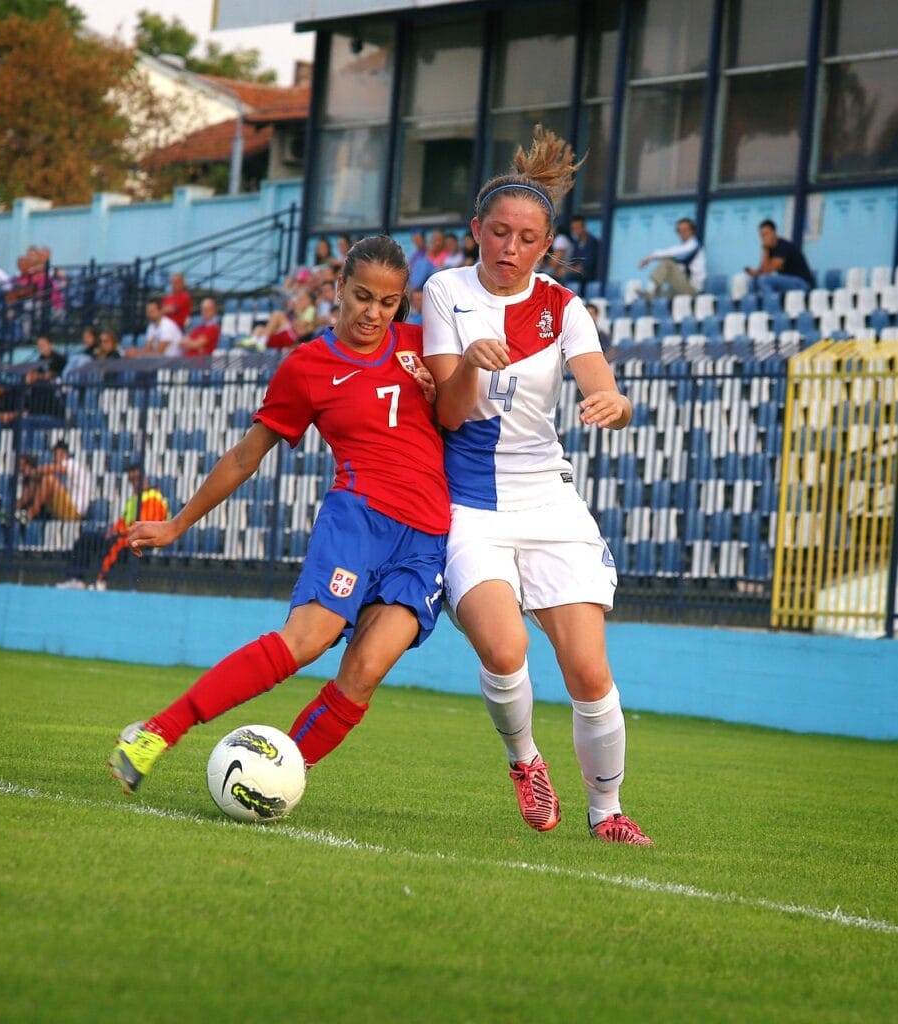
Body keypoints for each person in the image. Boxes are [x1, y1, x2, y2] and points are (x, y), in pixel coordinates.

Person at [107, 235, 450, 797]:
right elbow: (246, 456)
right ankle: (156, 733)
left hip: (427, 539)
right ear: (337, 289)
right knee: (307, 641)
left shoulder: (425, 344)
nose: (374, 313)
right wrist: (177, 523)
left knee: (364, 673)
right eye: (362, 296)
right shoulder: (308, 366)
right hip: (358, 520)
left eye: (388, 303)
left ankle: (276, 781)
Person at [422, 125, 652, 845]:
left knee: (588, 670)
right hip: (468, 506)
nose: (509, 249)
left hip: (547, 501)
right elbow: (446, 414)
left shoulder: (562, 306)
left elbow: (604, 390)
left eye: (526, 239)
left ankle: (606, 812)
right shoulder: (443, 292)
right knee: (503, 651)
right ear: (476, 232)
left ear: (544, 245)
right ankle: (525, 761)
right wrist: (467, 367)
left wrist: (614, 406)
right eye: (497, 234)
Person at [57, 463, 169, 590]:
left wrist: (121, 532)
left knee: (118, 541)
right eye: (131, 480)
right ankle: (75, 579)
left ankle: (101, 581)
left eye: (136, 479)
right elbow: (124, 521)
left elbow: (146, 525)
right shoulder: (134, 499)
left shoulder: (154, 498)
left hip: (141, 542)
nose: (134, 483)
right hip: (127, 537)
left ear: (144, 478)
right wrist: (113, 530)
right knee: (87, 538)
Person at [16, 440, 93, 523]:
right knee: (37, 481)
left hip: (76, 513)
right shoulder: (65, 472)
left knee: (48, 480)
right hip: (65, 508)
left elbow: (54, 469)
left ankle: (30, 514)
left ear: (65, 454)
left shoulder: (71, 464)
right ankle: (17, 507)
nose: (55, 458)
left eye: (57, 455)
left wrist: (33, 471)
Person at [638, 217, 705, 299]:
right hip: (681, 289)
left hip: (693, 291)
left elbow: (672, 253)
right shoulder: (683, 247)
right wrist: (651, 257)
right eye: (679, 231)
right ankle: (651, 296)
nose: (682, 233)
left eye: (685, 230)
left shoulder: (694, 246)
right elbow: (672, 251)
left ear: (692, 231)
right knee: (661, 295)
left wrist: (650, 258)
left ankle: (650, 293)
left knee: (667, 263)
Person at [746, 219, 815, 297]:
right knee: (752, 282)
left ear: (774, 233)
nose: (763, 238)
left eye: (766, 234)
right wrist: (755, 273)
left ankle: (771, 305)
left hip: (803, 283)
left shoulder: (783, 246)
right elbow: (763, 270)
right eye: (761, 235)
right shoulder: (769, 250)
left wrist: (765, 248)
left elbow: (767, 271)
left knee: (764, 280)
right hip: (788, 282)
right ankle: (756, 306)